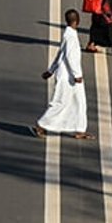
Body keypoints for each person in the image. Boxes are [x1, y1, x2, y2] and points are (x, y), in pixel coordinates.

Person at [32, 10, 92, 140]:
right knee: (60, 103)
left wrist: (50, 70)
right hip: (68, 77)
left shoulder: (68, 35)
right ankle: (40, 125)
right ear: (77, 21)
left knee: (80, 103)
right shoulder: (70, 37)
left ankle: (80, 129)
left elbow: (60, 55)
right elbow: (70, 57)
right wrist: (77, 75)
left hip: (70, 76)